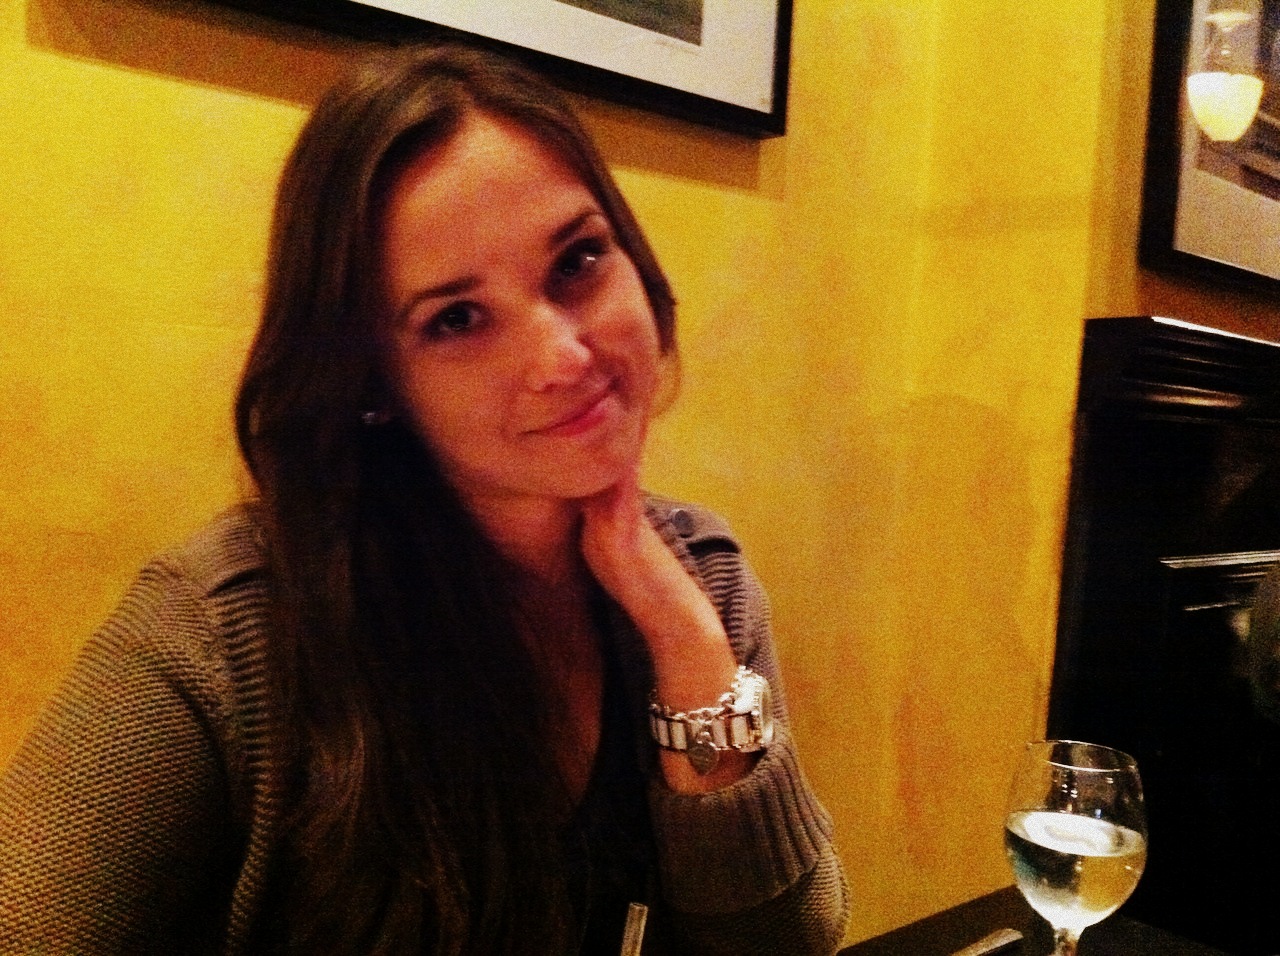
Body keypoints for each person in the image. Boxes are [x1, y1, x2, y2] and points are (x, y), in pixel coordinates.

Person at [0, 42, 848, 955]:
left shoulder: (701, 580)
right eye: (457, 319)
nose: (563, 357)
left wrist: (686, 645)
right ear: (372, 380)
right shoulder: (222, 635)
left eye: (577, 261)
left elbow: (786, 941)